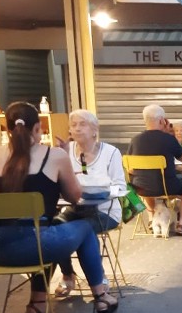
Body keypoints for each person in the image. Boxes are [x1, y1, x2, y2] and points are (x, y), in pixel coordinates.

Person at [0, 102, 118, 313]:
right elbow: (74, 197)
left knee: (48, 230)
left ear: (8, 129)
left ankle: (37, 306)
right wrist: (64, 168)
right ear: (38, 128)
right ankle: (102, 297)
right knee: (83, 227)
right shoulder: (54, 155)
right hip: (30, 246)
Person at [54, 109, 127, 298]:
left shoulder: (111, 152)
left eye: (83, 124)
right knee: (55, 227)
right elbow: (57, 184)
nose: (77, 128)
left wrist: (101, 191)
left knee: (83, 229)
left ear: (95, 130)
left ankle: (99, 278)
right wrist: (61, 158)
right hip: (75, 208)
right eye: (74, 125)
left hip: (105, 210)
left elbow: (120, 187)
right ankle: (67, 274)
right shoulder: (65, 151)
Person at [128, 104, 182, 236]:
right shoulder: (168, 139)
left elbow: (130, 169)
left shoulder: (135, 140)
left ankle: (151, 219)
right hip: (167, 186)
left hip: (140, 188)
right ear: (162, 121)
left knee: (146, 183)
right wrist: (168, 133)